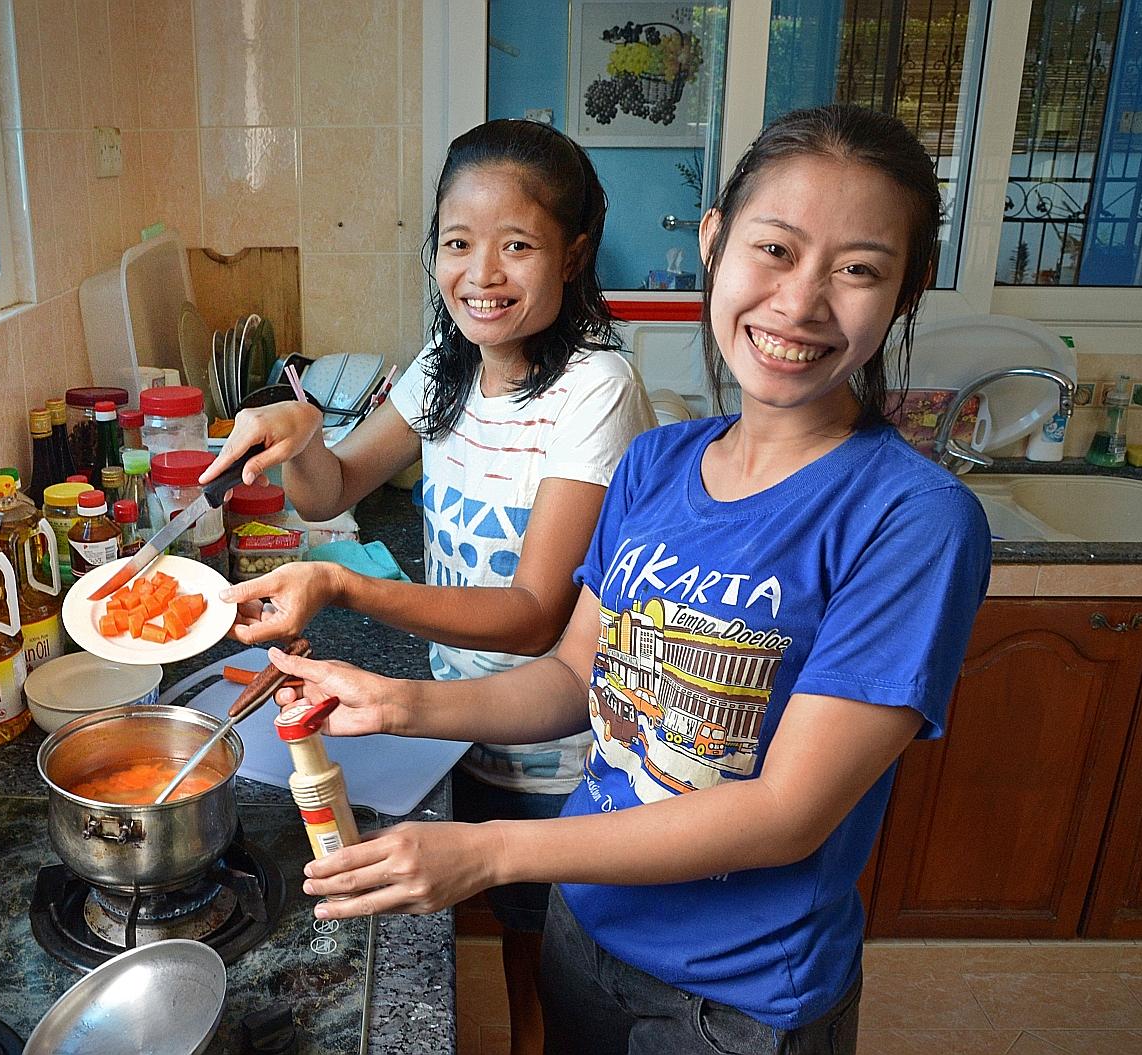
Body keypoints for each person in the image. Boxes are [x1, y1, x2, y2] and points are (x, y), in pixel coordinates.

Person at [260, 104, 992, 1055]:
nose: (800, 302)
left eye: (857, 269)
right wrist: (394, 702)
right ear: (715, 241)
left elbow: (787, 812)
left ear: (908, 287)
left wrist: (490, 851)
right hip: (588, 926)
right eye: (774, 249)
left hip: (734, 998)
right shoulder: (656, 467)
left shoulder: (913, 518)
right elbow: (575, 677)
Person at [203, 118, 655, 1053]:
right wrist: (301, 434)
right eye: (457, 243)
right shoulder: (443, 368)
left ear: (573, 255)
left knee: (556, 974)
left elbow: (533, 618)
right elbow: (332, 488)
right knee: (496, 946)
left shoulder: (596, 389)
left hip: (562, 754)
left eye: (516, 245)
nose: (481, 274)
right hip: (455, 732)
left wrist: (342, 585)